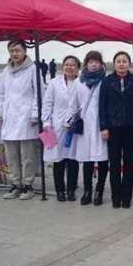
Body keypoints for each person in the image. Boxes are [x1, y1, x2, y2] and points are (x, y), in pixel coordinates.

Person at [99, 51, 133, 209]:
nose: (121, 64)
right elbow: (102, 106)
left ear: (129, 64)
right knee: (114, 164)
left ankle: (126, 198)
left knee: (129, 164)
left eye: (124, 61)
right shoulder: (107, 81)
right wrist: (103, 127)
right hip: (112, 128)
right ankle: (115, 197)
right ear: (114, 64)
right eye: (118, 61)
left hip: (131, 128)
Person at [0, 40, 39, 200]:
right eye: (12, 51)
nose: (15, 54)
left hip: (26, 117)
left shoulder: (33, 69)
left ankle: (28, 184)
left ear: (25, 51)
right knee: (11, 155)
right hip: (9, 117)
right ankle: (15, 184)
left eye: (18, 50)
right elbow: (1, 94)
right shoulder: (6, 70)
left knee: (27, 155)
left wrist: (35, 114)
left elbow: (39, 93)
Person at [67, 51, 109, 206]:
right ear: (86, 64)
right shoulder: (79, 82)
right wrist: (69, 121)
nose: (94, 64)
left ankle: (99, 191)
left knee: (102, 158)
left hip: (101, 125)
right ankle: (87, 191)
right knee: (87, 160)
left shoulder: (105, 81)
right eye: (91, 62)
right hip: (84, 125)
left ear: (101, 64)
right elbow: (73, 105)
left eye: (97, 61)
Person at [43, 55, 81, 202]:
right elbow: (47, 103)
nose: (69, 67)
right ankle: (60, 190)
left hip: (74, 127)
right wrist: (46, 122)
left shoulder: (81, 83)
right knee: (57, 159)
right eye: (66, 64)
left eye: (73, 65)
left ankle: (71, 190)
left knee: (73, 159)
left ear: (78, 68)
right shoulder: (54, 83)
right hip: (55, 126)